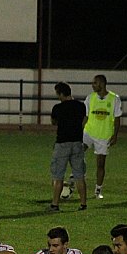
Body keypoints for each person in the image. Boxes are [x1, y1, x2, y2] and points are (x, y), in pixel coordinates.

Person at [80, 74, 123, 199]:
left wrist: (115, 135)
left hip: (104, 135)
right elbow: (86, 116)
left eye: (95, 83)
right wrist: (79, 130)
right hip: (89, 132)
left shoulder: (114, 99)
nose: (92, 85)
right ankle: (76, 176)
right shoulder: (90, 98)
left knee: (100, 164)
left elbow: (117, 119)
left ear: (102, 84)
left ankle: (98, 190)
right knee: (78, 152)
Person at [48, 82, 87, 212]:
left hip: (62, 143)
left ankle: (55, 204)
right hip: (77, 143)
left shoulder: (57, 108)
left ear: (61, 93)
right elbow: (83, 120)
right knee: (79, 175)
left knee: (58, 175)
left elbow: (54, 122)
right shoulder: (81, 106)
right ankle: (83, 204)